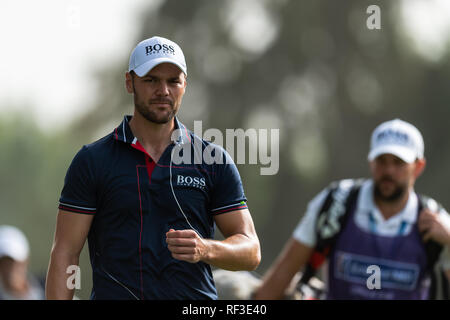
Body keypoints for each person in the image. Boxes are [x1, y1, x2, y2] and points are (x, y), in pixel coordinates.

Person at [45, 36, 261, 300]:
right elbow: (66, 253)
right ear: (129, 82)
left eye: (173, 81)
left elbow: (250, 251)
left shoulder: (213, 160)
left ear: (184, 85)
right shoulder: (93, 161)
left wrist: (206, 249)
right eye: (151, 80)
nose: (163, 90)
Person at [254, 119, 450, 300]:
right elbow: (282, 275)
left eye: (398, 163)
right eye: (382, 161)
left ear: (418, 166)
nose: (389, 171)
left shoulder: (436, 221)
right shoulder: (335, 204)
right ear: (371, 161)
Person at [0, 225, 44, 300]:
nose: (9, 269)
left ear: (26, 261)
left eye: (13, 262)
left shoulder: (47, 285)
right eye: (3, 263)